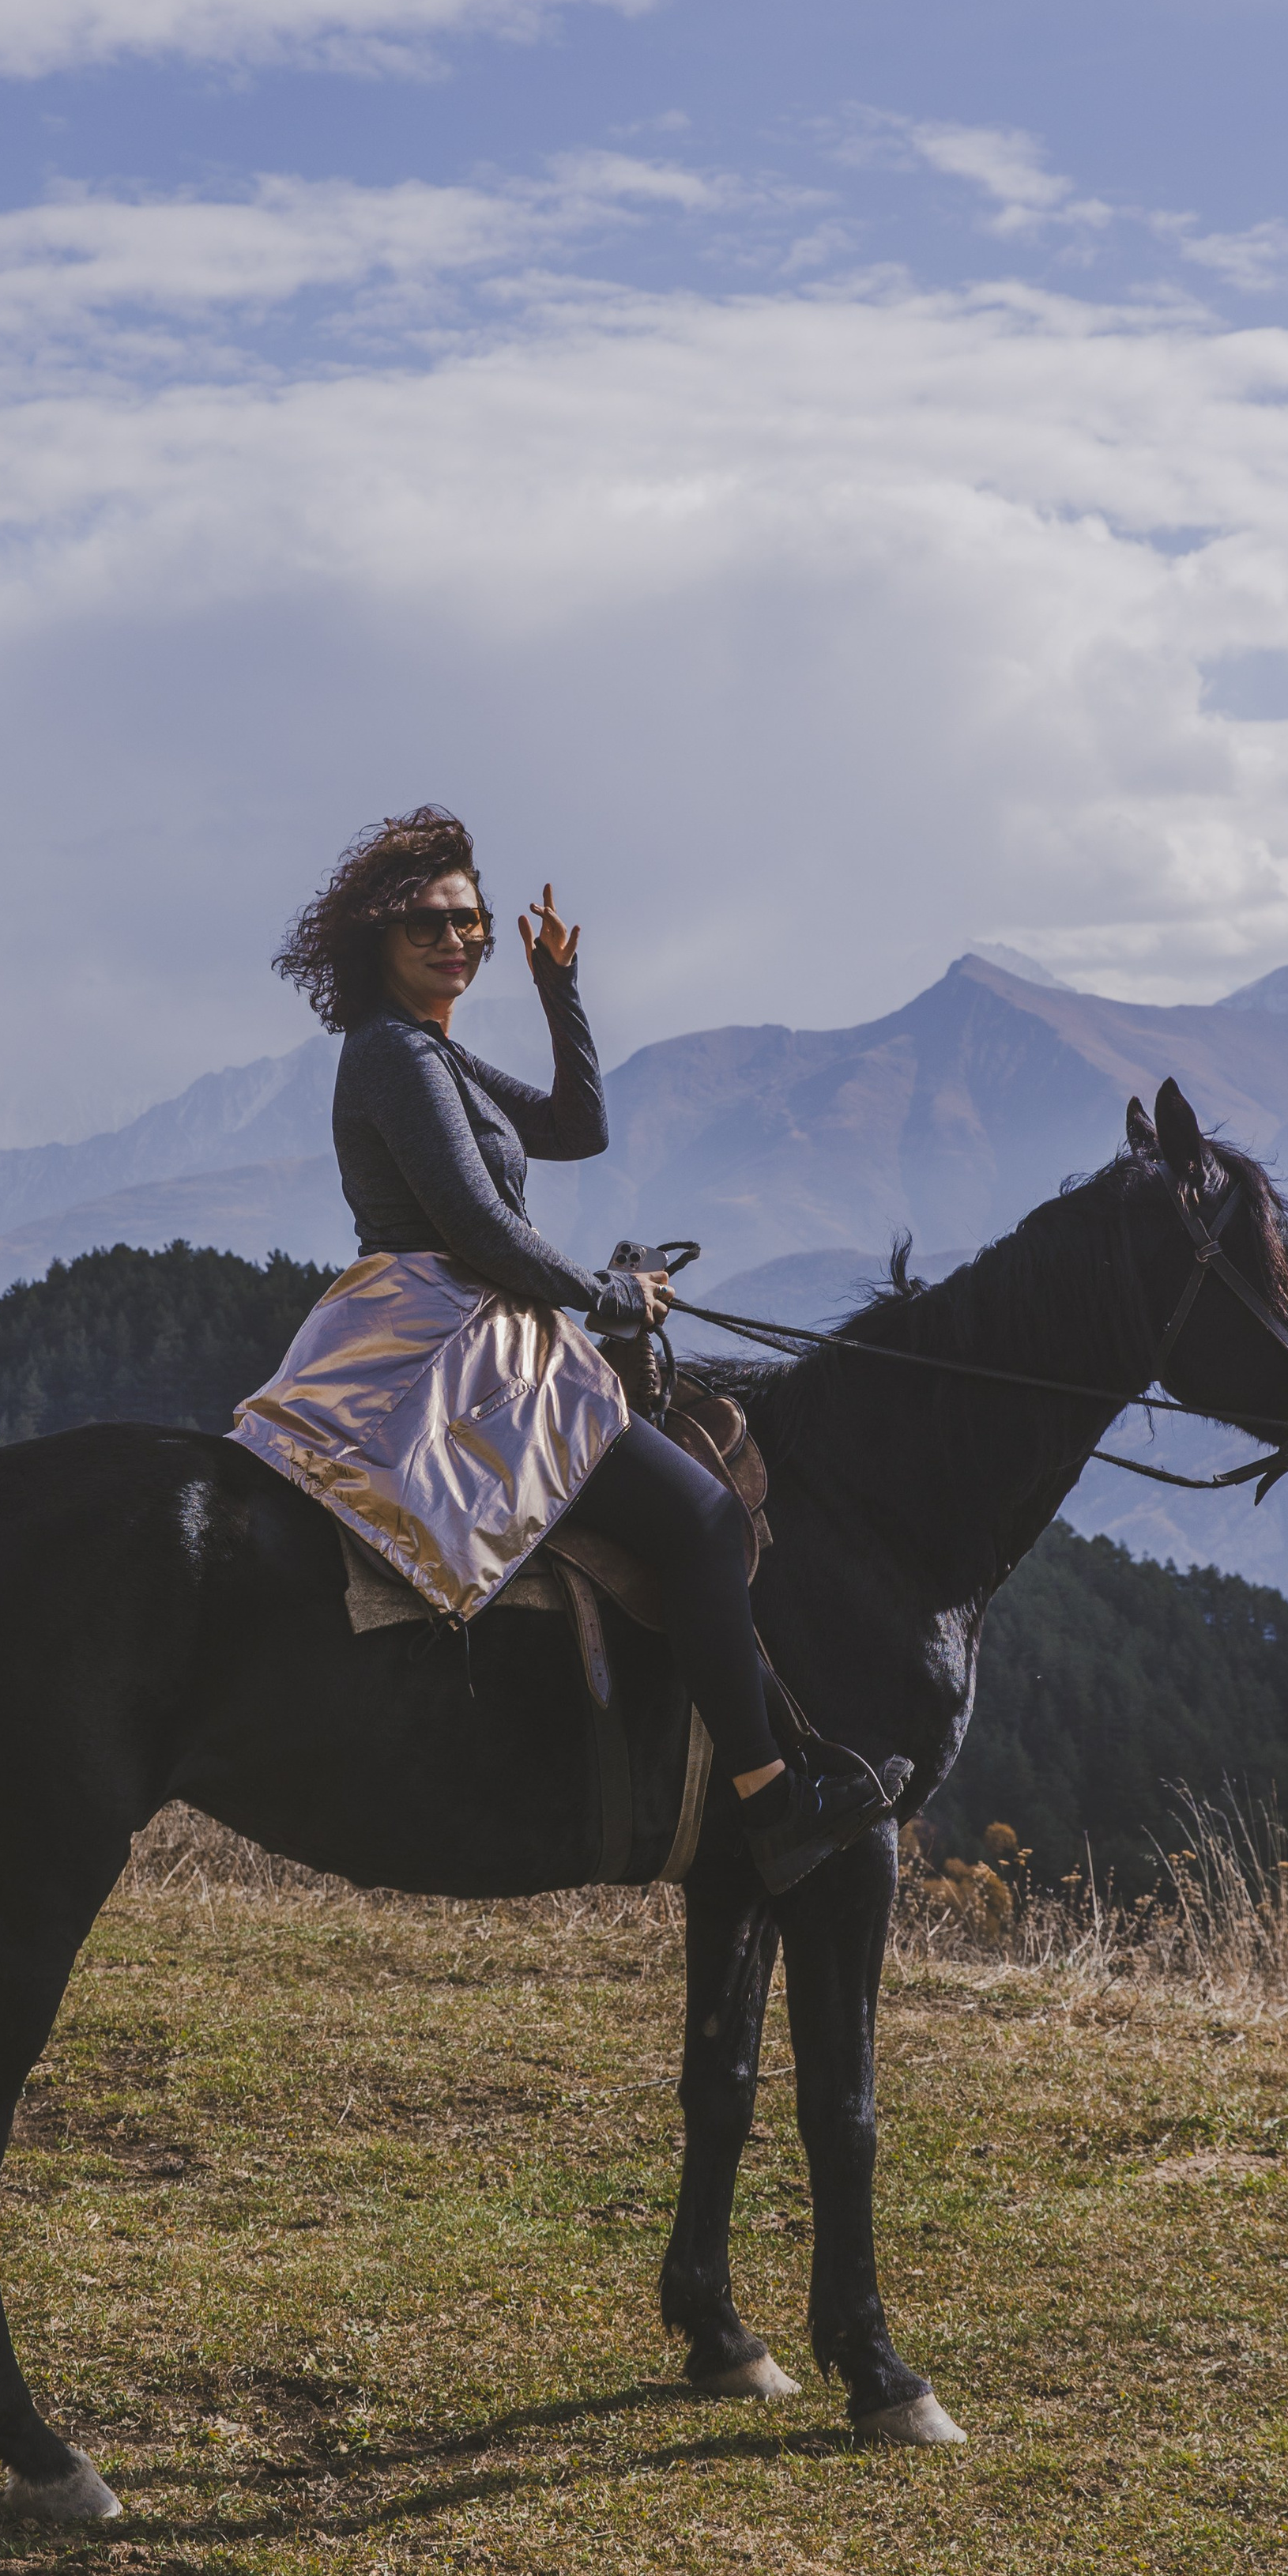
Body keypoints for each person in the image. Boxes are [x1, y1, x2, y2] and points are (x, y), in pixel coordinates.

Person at [228, 807, 903, 1895]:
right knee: (702, 1518)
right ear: (378, 942)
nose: (458, 940)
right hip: (445, 1332)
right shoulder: (396, 1056)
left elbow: (578, 1127)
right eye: (430, 925)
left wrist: (557, 986)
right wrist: (614, 1297)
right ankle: (772, 1801)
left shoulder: (432, 1051)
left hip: (474, 1316)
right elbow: (481, 1234)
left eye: (472, 922)